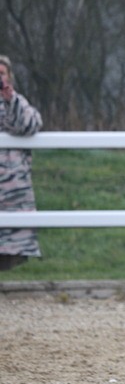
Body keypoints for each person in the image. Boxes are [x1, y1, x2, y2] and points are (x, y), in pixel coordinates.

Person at [0, 55, 42, 270]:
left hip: (12, 188)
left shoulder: (17, 102)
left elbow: (31, 124)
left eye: (1, 74)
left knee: (8, 245)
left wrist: (10, 100)